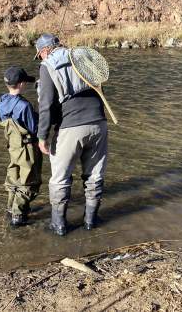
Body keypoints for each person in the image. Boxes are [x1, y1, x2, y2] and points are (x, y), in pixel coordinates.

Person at [35, 33, 108, 236]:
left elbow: (46, 105)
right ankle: (91, 222)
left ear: (44, 51)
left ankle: (58, 226)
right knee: (94, 176)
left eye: (40, 55)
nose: (41, 59)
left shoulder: (47, 65)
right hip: (99, 123)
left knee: (60, 179)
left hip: (70, 126)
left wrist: (43, 136)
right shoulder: (83, 56)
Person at [0, 66, 43, 227]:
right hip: (27, 147)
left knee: (14, 175)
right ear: (21, 84)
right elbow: (34, 129)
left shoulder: (2, 101)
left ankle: (11, 208)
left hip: (13, 146)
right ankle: (18, 215)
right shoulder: (24, 106)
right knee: (30, 181)